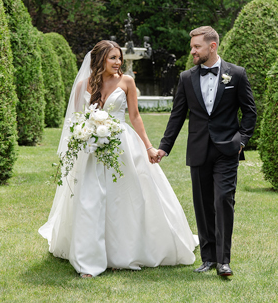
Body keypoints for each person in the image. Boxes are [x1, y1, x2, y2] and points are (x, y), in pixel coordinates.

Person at [39, 40, 198, 277]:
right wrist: (84, 136)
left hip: (123, 145)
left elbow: (135, 117)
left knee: (124, 199)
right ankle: (89, 259)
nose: (118, 62)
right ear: (100, 59)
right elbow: (75, 121)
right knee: (91, 200)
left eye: (119, 58)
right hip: (92, 149)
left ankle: (121, 253)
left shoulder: (127, 82)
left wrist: (149, 148)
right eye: (112, 58)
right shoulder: (83, 85)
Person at [155, 26, 256, 278]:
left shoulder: (237, 74)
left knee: (223, 201)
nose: (192, 51)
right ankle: (208, 258)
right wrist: (164, 148)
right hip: (198, 149)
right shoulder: (186, 78)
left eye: (196, 47)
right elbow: (177, 115)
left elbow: (250, 111)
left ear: (212, 46)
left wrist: (241, 140)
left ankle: (224, 261)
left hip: (227, 150)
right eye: (192, 47)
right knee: (202, 205)